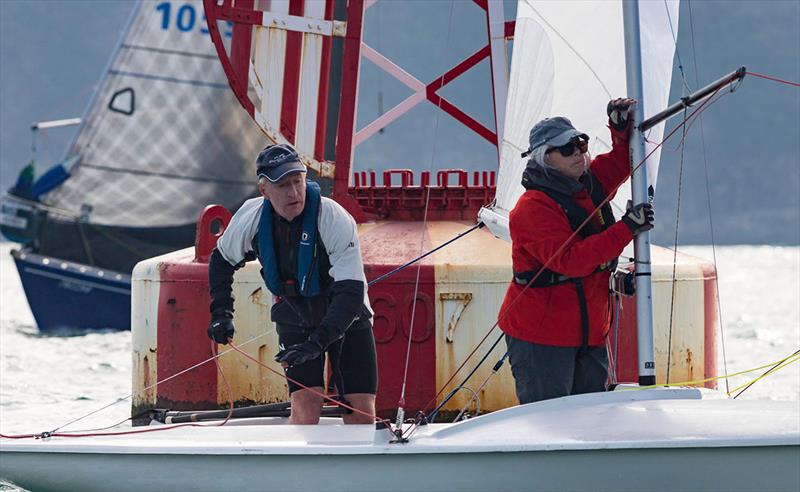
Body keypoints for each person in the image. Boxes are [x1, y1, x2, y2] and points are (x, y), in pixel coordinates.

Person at [205, 143, 377, 424]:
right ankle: (302, 464)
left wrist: (316, 344)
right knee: (306, 402)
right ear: (264, 191)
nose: (293, 193)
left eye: (297, 181)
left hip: (346, 314)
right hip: (295, 314)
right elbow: (221, 262)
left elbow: (351, 292)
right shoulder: (250, 217)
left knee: (358, 406)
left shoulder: (333, 217)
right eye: (283, 185)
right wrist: (221, 314)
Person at [500, 98, 655, 404]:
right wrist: (626, 228)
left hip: (588, 334)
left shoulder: (588, 183)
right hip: (541, 338)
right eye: (567, 149)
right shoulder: (531, 209)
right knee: (547, 423)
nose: (579, 153)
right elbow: (572, 261)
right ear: (545, 157)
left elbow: (626, 162)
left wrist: (620, 128)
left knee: (589, 421)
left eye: (581, 145)